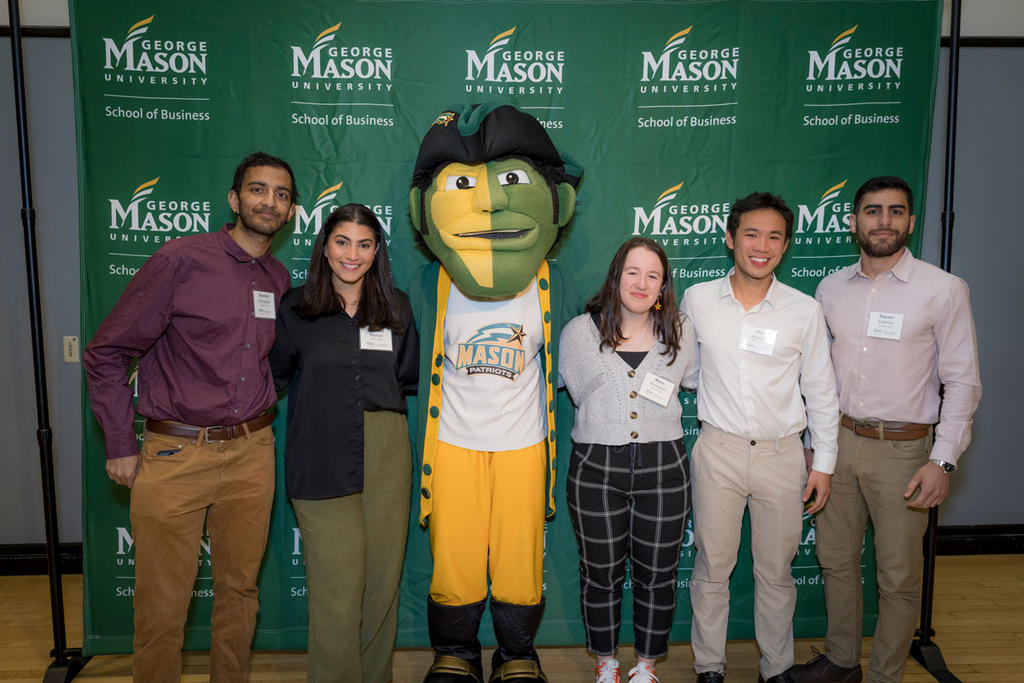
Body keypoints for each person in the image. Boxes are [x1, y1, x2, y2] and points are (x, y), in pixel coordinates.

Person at [83, 151, 297, 682]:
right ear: (234, 199)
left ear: (291, 212)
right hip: (177, 453)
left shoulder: (278, 277)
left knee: (240, 593)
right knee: (162, 603)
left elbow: (271, 360)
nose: (269, 201)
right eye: (258, 189)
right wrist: (119, 443)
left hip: (252, 454)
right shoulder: (180, 260)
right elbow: (106, 353)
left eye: (282, 194)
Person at [408, 103, 583, 683]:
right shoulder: (432, 283)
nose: (486, 202)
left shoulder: (552, 283)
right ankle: (454, 651)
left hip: (522, 441)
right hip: (454, 440)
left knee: (517, 555)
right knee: (454, 553)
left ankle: (516, 653)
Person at [791, 176, 982, 683]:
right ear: (853, 223)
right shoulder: (829, 289)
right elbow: (817, 377)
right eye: (873, 211)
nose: (884, 221)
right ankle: (841, 660)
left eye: (896, 211)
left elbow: (963, 382)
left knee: (898, 576)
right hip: (838, 444)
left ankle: (884, 675)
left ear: (911, 222)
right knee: (835, 561)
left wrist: (942, 460)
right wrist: (815, 447)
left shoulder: (943, 290)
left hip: (904, 452)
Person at [681, 192, 840, 683]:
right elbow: (686, 372)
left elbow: (821, 390)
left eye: (774, 236)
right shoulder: (698, 300)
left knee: (776, 573)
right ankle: (709, 667)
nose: (762, 246)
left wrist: (824, 464)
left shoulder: (803, 310)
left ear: (786, 245)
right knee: (712, 568)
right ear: (730, 238)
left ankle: (778, 670)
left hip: (782, 456)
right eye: (751, 233)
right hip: (719, 451)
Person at [270, 203, 418, 683]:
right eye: (342, 242)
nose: (352, 254)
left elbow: (406, 378)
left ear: (377, 251)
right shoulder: (294, 308)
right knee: (336, 589)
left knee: (380, 587)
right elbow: (275, 376)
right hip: (318, 450)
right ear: (324, 246)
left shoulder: (396, 306)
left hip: (386, 452)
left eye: (364, 244)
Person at [560, 237, 698, 683]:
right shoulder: (581, 331)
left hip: (664, 468)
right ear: (616, 275)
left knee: (658, 574)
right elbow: (582, 395)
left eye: (652, 275)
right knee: (600, 572)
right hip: (597, 468)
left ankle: (646, 666)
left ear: (664, 285)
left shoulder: (680, 329)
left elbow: (686, 380)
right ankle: (606, 663)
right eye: (633, 272)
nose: (641, 283)